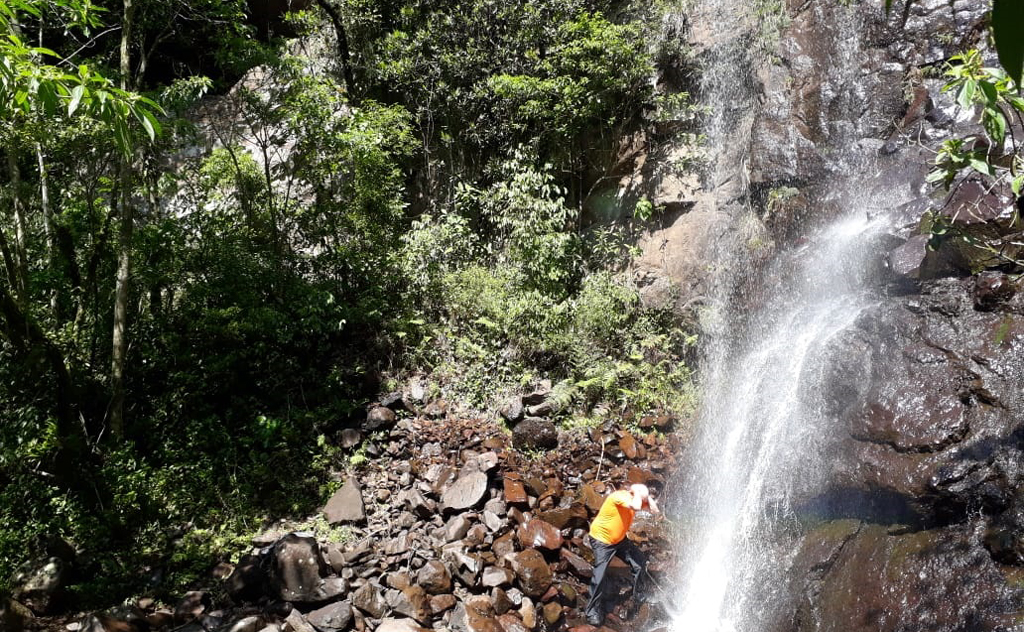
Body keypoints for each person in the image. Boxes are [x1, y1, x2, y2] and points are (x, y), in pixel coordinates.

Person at [584, 483, 659, 626]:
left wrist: (647, 496)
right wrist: (638, 493)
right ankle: (591, 611)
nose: (643, 500)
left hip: (619, 540)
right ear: (633, 492)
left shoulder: (636, 499)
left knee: (640, 562)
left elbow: (655, 511)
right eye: (641, 496)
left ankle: (639, 595)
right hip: (602, 540)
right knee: (599, 576)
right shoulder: (619, 497)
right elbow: (636, 507)